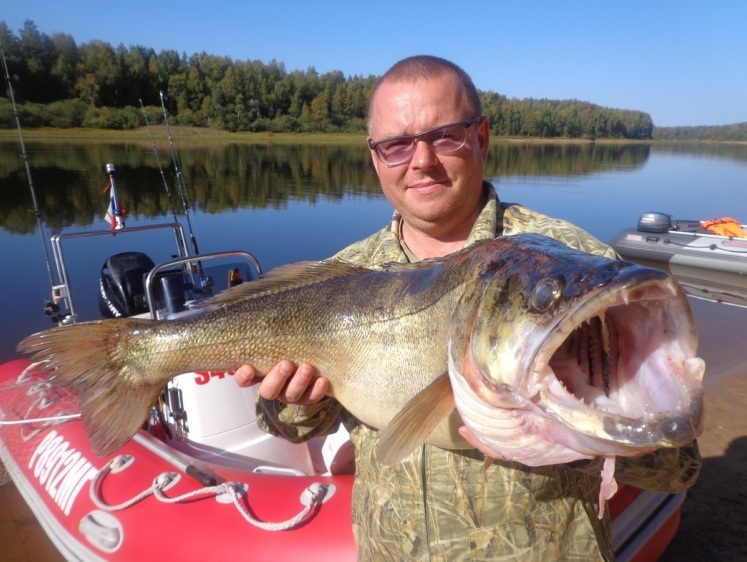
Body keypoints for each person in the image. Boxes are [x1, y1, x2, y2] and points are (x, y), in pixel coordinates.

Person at [234, 55, 701, 561]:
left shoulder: (576, 270)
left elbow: (678, 466)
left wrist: (565, 433)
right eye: (396, 145)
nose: (422, 161)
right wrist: (295, 405)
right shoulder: (345, 274)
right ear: (376, 159)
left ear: (481, 138)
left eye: (444, 136)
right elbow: (283, 425)